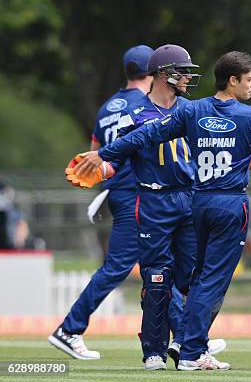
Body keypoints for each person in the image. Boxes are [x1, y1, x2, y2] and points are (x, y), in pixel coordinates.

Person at [70, 51, 251, 371]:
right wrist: (243, 148)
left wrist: (104, 154)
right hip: (223, 201)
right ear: (233, 80)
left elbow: (146, 135)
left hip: (197, 202)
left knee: (191, 278)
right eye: (249, 79)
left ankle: (185, 343)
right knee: (204, 280)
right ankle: (189, 347)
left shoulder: (192, 109)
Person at [49, 45, 160, 360]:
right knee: (119, 265)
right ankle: (69, 329)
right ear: (151, 73)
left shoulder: (107, 107)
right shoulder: (146, 105)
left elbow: (94, 153)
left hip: (119, 191)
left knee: (160, 265)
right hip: (138, 192)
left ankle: (185, 339)